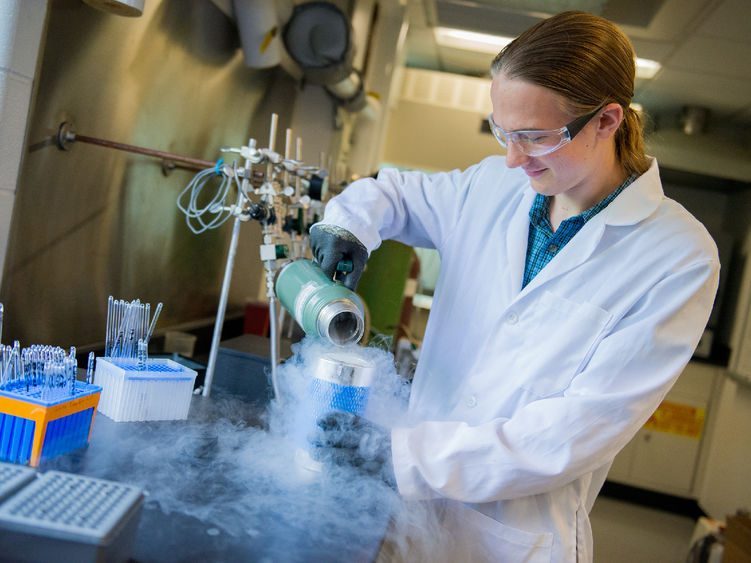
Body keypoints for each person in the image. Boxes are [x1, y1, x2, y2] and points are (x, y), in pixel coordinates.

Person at [309, 10, 719, 562]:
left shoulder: (678, 256)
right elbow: (398, 193)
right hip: (406, 519)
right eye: (503, 131)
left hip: (510, 539)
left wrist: (398, 455)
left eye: (534, 136)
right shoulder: (494, 185)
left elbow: (574, 432)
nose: (511, 156)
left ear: (607, 121)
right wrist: (349, 224)